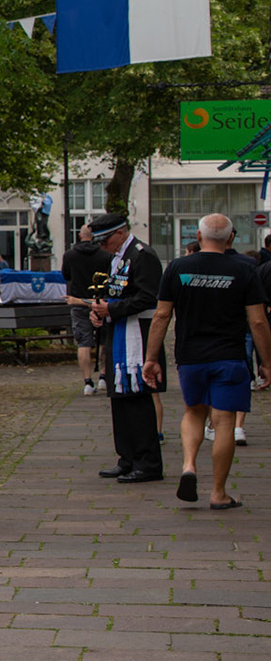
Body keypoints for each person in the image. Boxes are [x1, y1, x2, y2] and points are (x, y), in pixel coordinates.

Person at [144, 214, 271, 509]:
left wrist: (151, 358)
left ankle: (189, 464)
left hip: (191, 356)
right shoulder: (244, 269)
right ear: (231, 238)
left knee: (193, 412)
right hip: (229, 356)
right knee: (224, 420)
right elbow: (258, 321)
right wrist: (266, 361)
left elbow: (162, 315)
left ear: (199, 237)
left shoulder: (178, 268)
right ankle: (218, 493)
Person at [91, 212, 166, 484]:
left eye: (105, 241)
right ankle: (127, 458)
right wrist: (99, 311)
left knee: (137, 401)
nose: (102, 247)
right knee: (119, 398)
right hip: (119, 332)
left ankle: (148, 462)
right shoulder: (118, 257)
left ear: (120, 233)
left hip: (138, 335)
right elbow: (114, 293)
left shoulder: (142, 255)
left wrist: (111, 310)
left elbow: (147, 297)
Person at [62, 222, 112, 394]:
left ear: (79, 236)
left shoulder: (70, 255)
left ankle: (87, 381)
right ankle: (103, 377)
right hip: (101, 302)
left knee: (84, 342)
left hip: (78, 301)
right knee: (104, 340)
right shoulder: (105, 255)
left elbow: (66, 275)